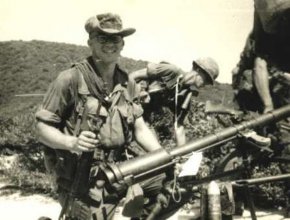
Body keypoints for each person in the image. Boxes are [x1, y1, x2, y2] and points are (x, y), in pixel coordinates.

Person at [35, 13, 166, 220]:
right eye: (102, 38)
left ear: (122, 43)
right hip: (82, 178)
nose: (110, 44)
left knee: (170, 184)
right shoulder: (70, 79)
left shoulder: (127, 83)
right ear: (90, 42)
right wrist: (72, 142)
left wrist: (164, 156)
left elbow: (140, 129)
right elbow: (42, 130)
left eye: (115, 39)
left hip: (119, 170)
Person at [129, 57, 219, 146]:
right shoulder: (171, 71)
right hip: (126, 105)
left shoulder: (184, 94)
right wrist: (140, 94)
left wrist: (183, 154)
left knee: (157, 154)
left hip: (143, 120)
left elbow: (179, 127)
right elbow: (132, 76)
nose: (206, 84)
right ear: (198, 70)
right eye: (207, 79)